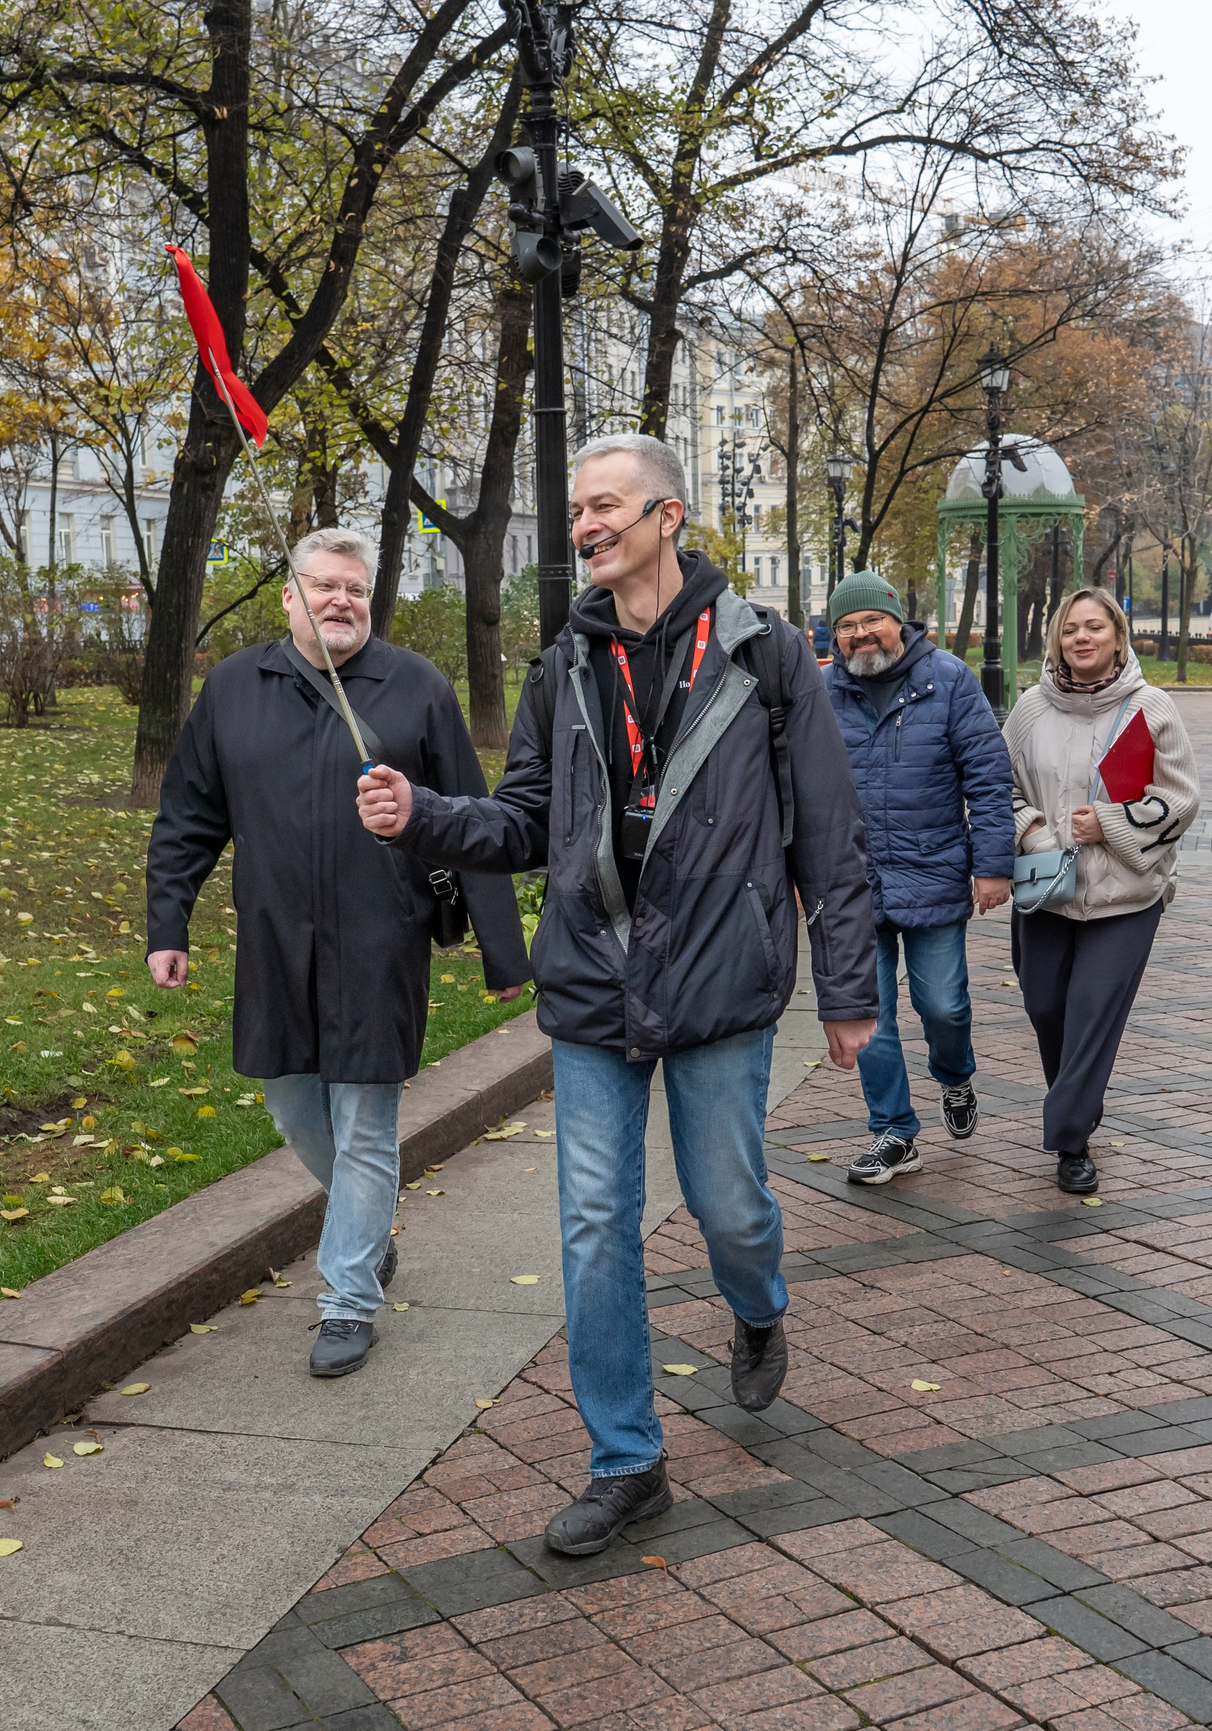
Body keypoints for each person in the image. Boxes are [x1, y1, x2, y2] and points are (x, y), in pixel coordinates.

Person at [355, 433, 878, 1558]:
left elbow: (829, 830)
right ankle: (626, 1462)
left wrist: (845, 986)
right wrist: (427, 815)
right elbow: (525, 821)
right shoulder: (564, 666)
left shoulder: (764, 655)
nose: (583, 525)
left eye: (604, 507)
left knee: (730, 1206)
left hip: (720, 978)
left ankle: (756, 1303)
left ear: (666, 517)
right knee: (595, 1228)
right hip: (595, 981)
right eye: (577, 510)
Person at [147, 528, 530, 1379]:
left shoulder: (415, 687)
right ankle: (365, 1227)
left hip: (379, 938)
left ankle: (348, 1296)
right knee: (291, 1105)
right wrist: (168, 925)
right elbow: (186, 819)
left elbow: (476, 816)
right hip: (274, 938)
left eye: (355, 589)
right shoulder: (236, 689)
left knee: (365, 1120)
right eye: (323, 586)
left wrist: (504, 953)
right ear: (289, 595)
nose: (340, 601)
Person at [821, 572, 1013, 1184]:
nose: (859, 635)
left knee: (944, 1005)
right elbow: (795, 786)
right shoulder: (821, 691)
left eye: (869, 621)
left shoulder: (949, 680)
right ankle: (895, 1133)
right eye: (845, 627)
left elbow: (987, 778)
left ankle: (955, 1078)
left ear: (897, 620)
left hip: (933, 870)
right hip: (851, 884)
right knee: (867, 1015)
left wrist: (992, 865)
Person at [1005, 587, 1198, 1195]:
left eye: (1094, 627)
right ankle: (1077, 1110)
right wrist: (1034, 833)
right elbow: (993, 790)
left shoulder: (1152, 708)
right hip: (1047, 889)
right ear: (1057, 640)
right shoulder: (1030, 709)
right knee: (1045, 1007)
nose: (1081, 638)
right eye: (1070, 630)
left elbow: (1181, 799)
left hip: (1127, 895)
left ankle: (1070, 1138)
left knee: (1091, 1011)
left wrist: (1109, 824)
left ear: (1117, 636)